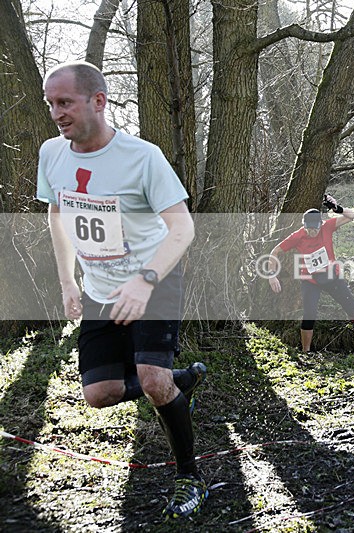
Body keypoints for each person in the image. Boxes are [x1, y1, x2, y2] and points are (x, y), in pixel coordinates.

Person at [37, 61, 207, 517]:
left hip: (154, 278)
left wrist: (145, 278)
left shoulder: (142, 156)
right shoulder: (52, 154)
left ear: (98, 101)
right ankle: (183, 381)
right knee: (99, 394)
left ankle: (189, 476)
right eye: (51, 103)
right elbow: (57, 216)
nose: (57, 113)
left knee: (152, 381)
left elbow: (182, 229)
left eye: (65, 102)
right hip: (98, 286)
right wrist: (67, 279)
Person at [267, 196, 354, 353]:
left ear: (320, 225)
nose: (313, 232)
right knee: (309, 314)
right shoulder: (298, 236)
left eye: (315, 228)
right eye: (309, 229)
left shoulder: (327, 226)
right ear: (304, 226)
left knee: (351, 306)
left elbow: (351, 216)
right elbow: (275, 251)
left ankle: (353, 318)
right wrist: (272, 275)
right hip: (310, 280)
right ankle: (306, 351)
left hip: (331, 275)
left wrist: (336, 207)